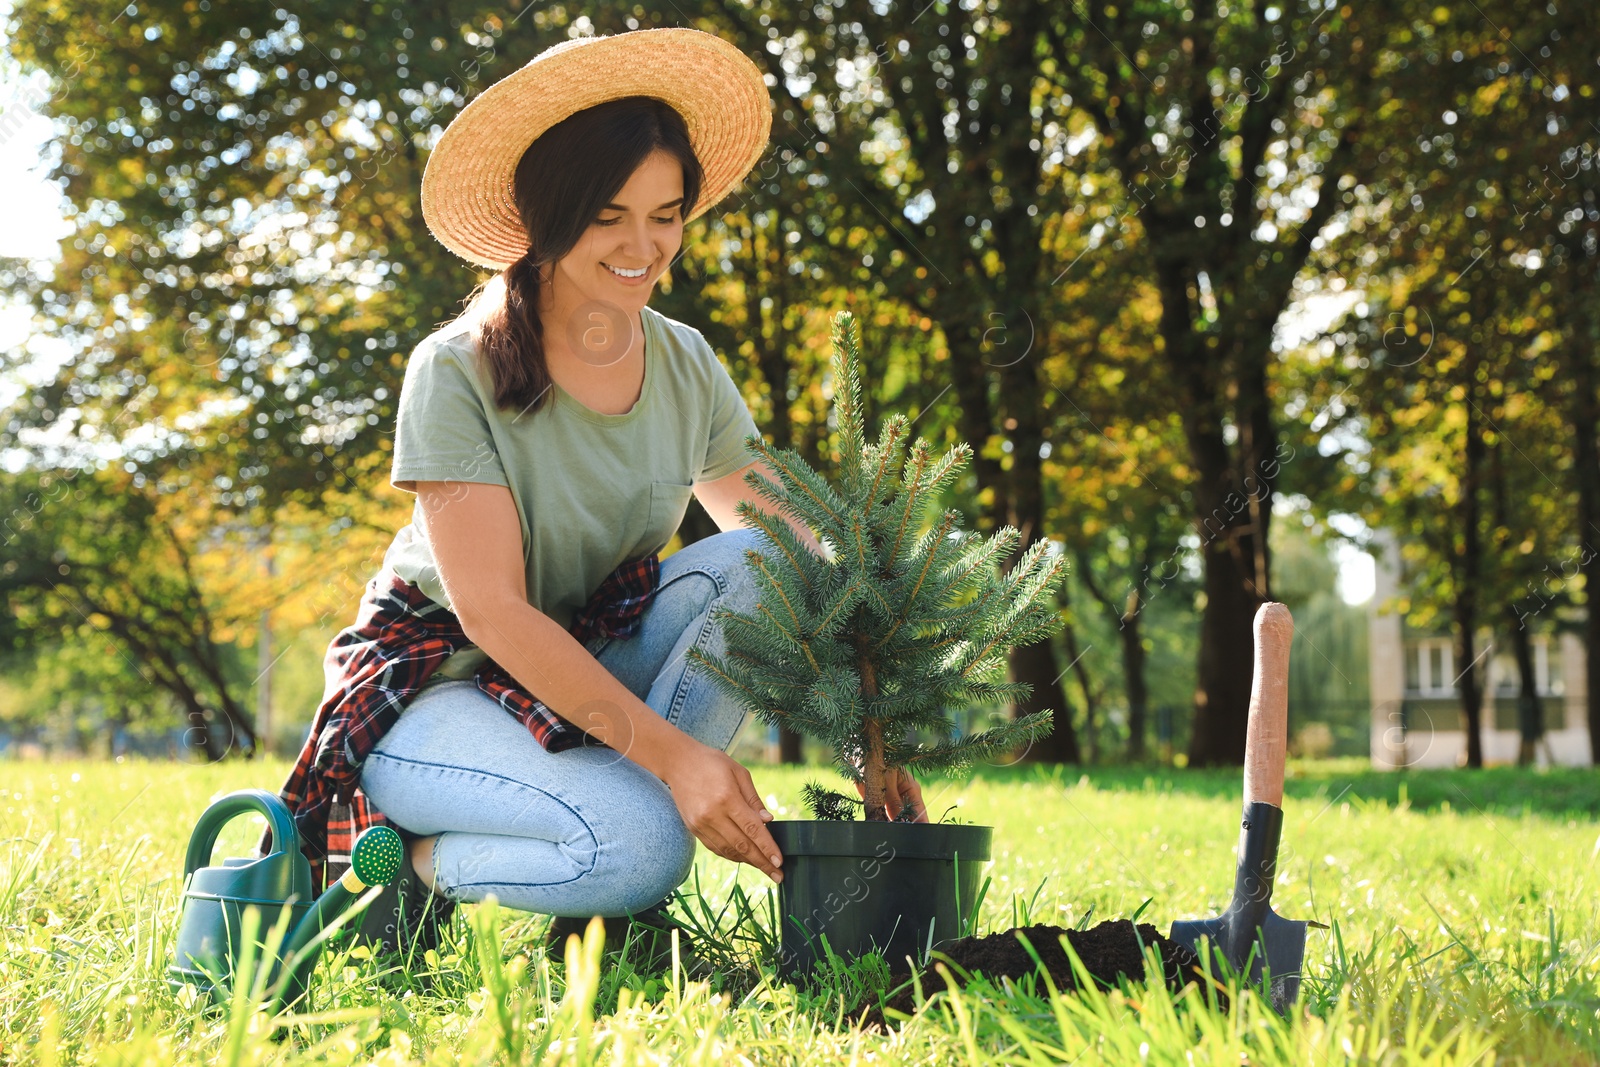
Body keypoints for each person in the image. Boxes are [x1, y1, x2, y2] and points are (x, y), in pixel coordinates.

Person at [270, 27, 926, 974]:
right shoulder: (454, 371)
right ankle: (404, 865)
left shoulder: (686, 362)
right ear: (545, 214)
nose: (643, 246)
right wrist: (677, 762)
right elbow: (493, 612)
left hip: (586, 663)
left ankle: (611, 901)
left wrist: (873, 723)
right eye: (609, 215)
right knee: (642, 847)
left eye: (667, 215)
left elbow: (791, 545)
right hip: (439, 685)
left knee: (752, 564)